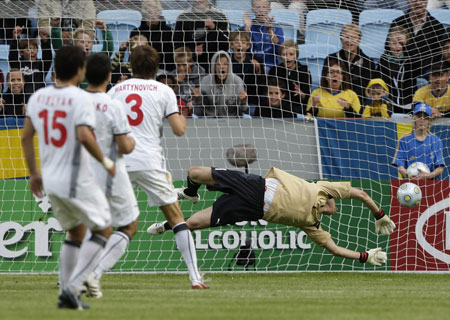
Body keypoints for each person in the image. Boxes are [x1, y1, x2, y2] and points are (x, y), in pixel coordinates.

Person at [147, 166, 395, 266]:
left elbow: (335, 249)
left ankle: (167, 226)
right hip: (255, 186)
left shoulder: (312, 225)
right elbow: (361, 194)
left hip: (250, 209)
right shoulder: (320, 187)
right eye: (333, 202)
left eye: (333, 206)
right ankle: (191, 193)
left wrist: (364, 256)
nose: (334, 206)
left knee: (192, 223)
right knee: (195, 172)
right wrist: (379, 214)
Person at [21, 45, 115, 309]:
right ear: (80, 70)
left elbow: (26, 137)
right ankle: (73, 288)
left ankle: (66, 292)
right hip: (76, 176)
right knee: (105, 227)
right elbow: (85, 136)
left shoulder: (38, 97)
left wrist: (33, 174)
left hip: (50, 178)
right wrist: (106, 161)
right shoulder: (80, 98)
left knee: (76, 232)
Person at [107, 45, 207, 289]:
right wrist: (181, 113)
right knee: (175, 217)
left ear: (132, 65)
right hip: (150, 162)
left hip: (120, 159)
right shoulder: (164, 90)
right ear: (156, 66)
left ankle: (77, 273)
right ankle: (195, 278)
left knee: (102, 219)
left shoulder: (116, 90)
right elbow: (179, 130)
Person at [82, 53, 138, 298]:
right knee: (128, 225)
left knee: (88, 227)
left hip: (83, 173)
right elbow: (124, 146)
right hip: (111, 172)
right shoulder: (113, 105)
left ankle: (72, 276)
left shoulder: (76, 102)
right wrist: (133, 141)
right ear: (109, 76)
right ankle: (94, 273)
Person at [387, 0, 447, 79]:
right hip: (400, 69)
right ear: (408, 1)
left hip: (425, 73)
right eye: (414, 0)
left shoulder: (437, 27)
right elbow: (387, 47)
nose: (418, 3)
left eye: (422, 0)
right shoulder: (398, 22)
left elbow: (439, 56)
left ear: (427, 1)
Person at [392, 102, 445, 179]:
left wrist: (428, 175)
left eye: (425, 118)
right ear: (414, 119)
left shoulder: (435, 140)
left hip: (431, 184)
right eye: (419, 117)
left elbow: (440, 168)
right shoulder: (404, 139)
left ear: (429, 121)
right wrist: (408, 175)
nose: (422, 120)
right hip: (410, 183)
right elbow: (400, 165)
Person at [324, 24, 377, 101]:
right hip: (334, 100)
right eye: (347, 37)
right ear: (341, 39)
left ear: (359, 40)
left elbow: (368, 89)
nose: (349, 40)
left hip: (358, 103)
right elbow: (325, 83)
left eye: (354, 38)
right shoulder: (330, 59)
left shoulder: (368, 62)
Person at [173, 0, 229, 71]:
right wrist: (193, 52)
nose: (198, 0)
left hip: (215, 67)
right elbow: (177, 45)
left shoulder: (220, 15)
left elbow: (226, 45)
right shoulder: (184, 16)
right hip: (190, 68)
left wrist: (213, 27)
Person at [194, 51, 248, 117]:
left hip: (232, 120)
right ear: (213, 66)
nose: (222, 67)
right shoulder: (205, 81)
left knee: (247, 117)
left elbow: (242, 110)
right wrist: (197, 99)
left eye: (225, 64)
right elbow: (199, 111)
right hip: (210, 120)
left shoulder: (237, 81)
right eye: (218, 64)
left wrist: (243, 102)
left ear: (229, 66)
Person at [378, 26, 415, 114]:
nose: (397, 46)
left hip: (409, 104)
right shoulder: (383, 60)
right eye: (394, 42)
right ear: (389, 43)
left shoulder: (411, 60)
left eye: (401, 43)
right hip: (388, 104)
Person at [130, 0, 175, 72]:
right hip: (141, 69)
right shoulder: (136, 32)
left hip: (163, 70)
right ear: (144, 14)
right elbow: (134, 55)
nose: (153, 14)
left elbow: (170, 57)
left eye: (156, 11)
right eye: (150, 12)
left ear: (160, 12)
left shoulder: (169, 32)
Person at [268, 40, 311, 115]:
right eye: (284, 54)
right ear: (280, 56)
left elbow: (307, 98)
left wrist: (301, 94)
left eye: (291, 54)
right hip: (279, 107)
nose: (288, 57)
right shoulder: (274, 71)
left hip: (297, 107)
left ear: (296, 56)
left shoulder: (304, 71)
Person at [244, 0, 284, 73]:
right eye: (258, 7)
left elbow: (280, 51)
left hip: (271, 66)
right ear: (252, 9)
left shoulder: (276, 28)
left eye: (264, 7)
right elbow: (240, 47)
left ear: (269, 10)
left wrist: (269, 30)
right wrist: (247, 28)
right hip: (251, 65)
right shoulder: (248, 26)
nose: (261, 10)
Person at [229, 30, 266, 107]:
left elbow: (261, 91)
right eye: (236, 42)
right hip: (229, 101)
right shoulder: (226, 61)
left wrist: (258, 72)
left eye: (243, 42)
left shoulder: (256, 61)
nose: (239, 45)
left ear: (248, 46)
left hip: (250, 102)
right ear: (231, 45)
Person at [169, 47, 206, 113]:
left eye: (184, 65)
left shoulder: (201, 74)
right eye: (178, 65)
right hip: (179, 106)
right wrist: (175, 84)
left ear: (190, 62)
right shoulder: (172, 76)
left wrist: (194, 103)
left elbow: (205, 97)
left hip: (196, 107)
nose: (181, 68)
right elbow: (169, 98)